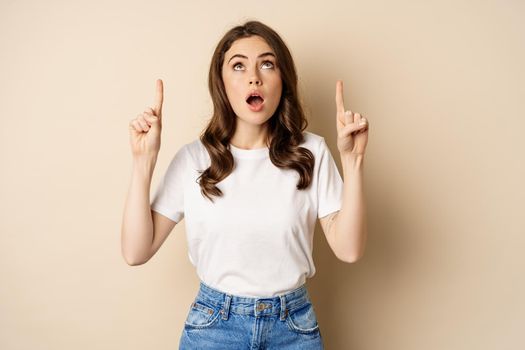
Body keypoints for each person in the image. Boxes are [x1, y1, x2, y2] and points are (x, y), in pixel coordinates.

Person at [122, 20, 369, 350]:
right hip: (213, 328)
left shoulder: (311, 152)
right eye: (238, 66)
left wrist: (352, 162)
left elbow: (349, 249)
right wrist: (143, 161)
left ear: (283, 81)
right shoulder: (194, 159)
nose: (254, 76)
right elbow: (135, 251)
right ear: (221, 83)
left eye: (267, 64)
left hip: (293, 328)